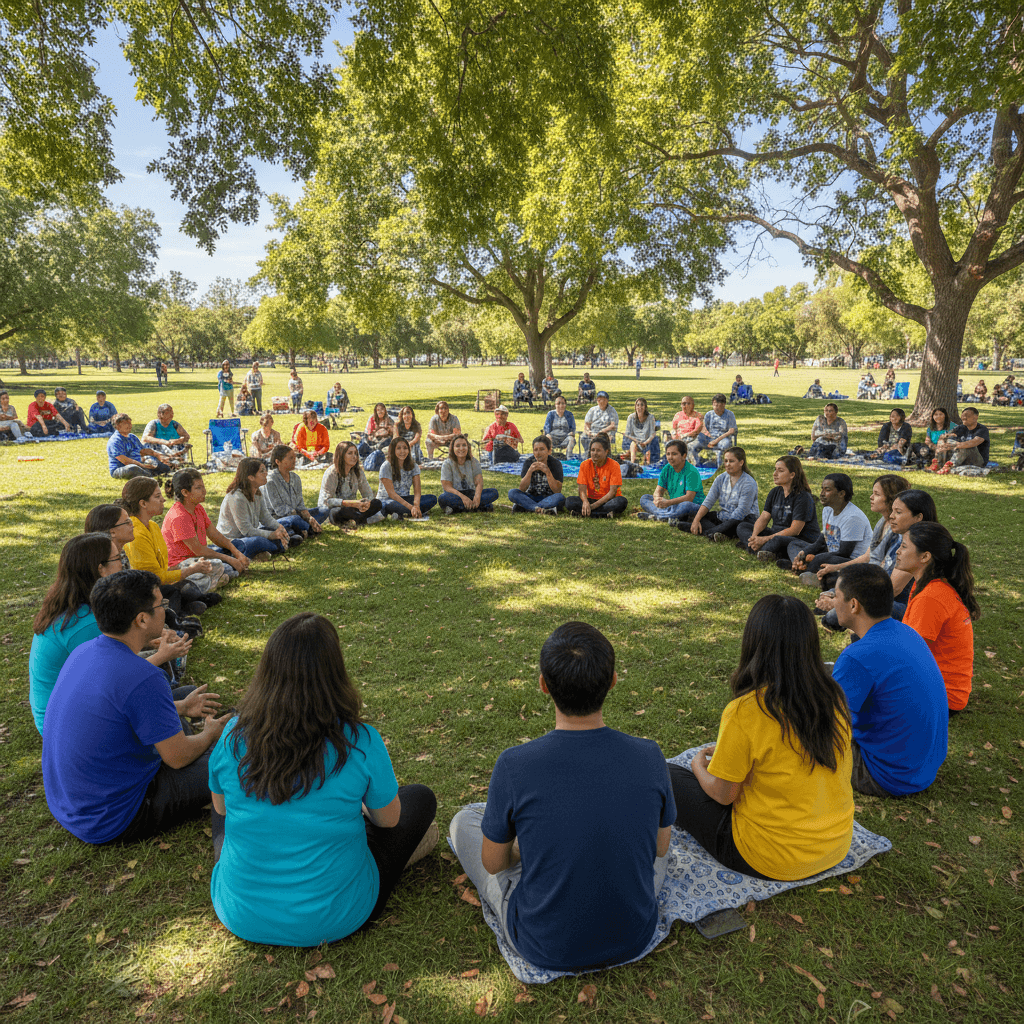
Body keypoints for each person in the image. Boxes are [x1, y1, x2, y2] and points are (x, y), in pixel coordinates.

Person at [448, 622, 674, 972]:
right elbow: (660, 848)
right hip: (634, 935)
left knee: (465, 821)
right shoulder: (650, 756)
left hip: (543, 943)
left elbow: (494, 864)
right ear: (613, 680)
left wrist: (532, 848)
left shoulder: (514, 765)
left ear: (543, 685)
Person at [208, 613, 438, 944]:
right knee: (420, 798)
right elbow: (389, 821)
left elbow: (222, 808)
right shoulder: (360, 740)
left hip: (241, 913)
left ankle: (246, 864)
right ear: (335, 672)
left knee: (221, 813)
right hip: (338, 915)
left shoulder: (232, 735)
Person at [669, 595, 853, 880]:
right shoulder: (834, 697)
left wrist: (696, 766)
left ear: (753, 643)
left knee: (666, 774)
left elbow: (723, 795)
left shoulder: (746, 711)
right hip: (834, 845)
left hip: (769, 856)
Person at [42, 570, 228, 844]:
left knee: (185, 696)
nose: (165, 609)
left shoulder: (84, 651)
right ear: (142, 619)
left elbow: (115, 709)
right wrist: (211, 734)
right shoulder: (144, 677)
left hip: (71, 804)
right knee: (227, 761)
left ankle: (191, 731)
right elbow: (177, 758)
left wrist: (181, 707)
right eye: (160, 605)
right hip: (115, 816)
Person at [831, 564, 948, 797]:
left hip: (885, 775)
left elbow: (824, 724)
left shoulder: (857, 657)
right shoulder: (906, 632)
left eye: (835, 596)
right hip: (922, 769)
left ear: (853, 605)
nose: (833, 602)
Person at [29, 533, 121, 734]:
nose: (122, 564)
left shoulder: (70, 604)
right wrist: (163, 655)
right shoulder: (83, 624)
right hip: (64, 725)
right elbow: (113, 681)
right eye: (118, 558)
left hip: (66, 710)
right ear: (100, 569)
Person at [819, 486, 935, 630]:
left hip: (901, 606)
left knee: (835, 614)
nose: (891, 516)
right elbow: (872, 562)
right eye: (892, 511)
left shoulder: (918, 547)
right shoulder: (897, 533)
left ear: (918, 517)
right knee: (837, 591)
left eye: (898, 512)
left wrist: (844, 601)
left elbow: (891, 589)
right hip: (881, 594)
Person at [898, 523, 979, 713]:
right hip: (936, 688)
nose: (897, 551)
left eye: (903, 546)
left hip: (942, 697)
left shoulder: (931, 597)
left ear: (925, 556)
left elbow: (910, 656)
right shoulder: (928, 586)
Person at [122, 476, 224, 608]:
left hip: (166, 578)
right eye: (158, 496)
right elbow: (153, 579)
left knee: (206, 572)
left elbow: (163, 567)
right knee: (178, 590)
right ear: (143, 503)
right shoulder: (137, 534)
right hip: (149, 590)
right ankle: (181, 609)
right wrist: (190, 570)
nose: (163, 499)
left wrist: (189, 567)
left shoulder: (152, 526)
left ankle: (190, 599)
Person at [807, 473, 908, 594]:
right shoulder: (882, 522)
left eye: (876, 494)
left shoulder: (899, 531)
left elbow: (889, 579)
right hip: (868, 572)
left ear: (891, 498)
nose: (871, 497)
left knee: (836, 581)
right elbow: (867, 557)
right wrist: (835, 567)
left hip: (878, 584)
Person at [162, 468, 249, 580]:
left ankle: (222, 573)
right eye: (198, 488)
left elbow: (215, 535)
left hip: (200, 557)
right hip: (184, 564)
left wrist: (236, 553)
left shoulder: (198, 507)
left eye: (203, 486)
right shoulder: (179, 516)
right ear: (185, 492)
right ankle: (216, 578)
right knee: (224, 566)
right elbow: (199, 550)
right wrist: (229, 559)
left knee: (237, 545)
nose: (204, 491)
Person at [782, 473, 872, 581]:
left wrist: (817, 557)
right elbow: (822, 541)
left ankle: (804, 569)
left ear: (841, 493)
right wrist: (803, 553)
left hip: (850, 561)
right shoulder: (827, 510)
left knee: (823, 558)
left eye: (827, 490)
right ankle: (801, 565)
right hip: (831, 553)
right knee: (794, 544)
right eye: (822, 489)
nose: (822, 494)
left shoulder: (853, 517)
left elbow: (844, 552)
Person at [736, 455, 820, 561]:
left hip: (797, 539)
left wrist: (765, 539)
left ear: (792, 475)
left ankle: (757, 549)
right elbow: (764, 517)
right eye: (775, 470)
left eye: (780, 471)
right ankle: (759, 547)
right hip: (776, 534)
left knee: (777, 540)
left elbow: (795, 530)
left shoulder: (803, 497)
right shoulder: (775, 492)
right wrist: (754, 537)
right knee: (743, 526)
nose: (774, 474)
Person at [217, 458, 294, 560]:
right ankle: (280, 545)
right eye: (262, 471)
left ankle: (276, 545)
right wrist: (271, 535)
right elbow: (246, 531)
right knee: (259, 541)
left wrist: (279, 527)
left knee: (286, 525)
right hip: (234, 541)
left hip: (250, 535)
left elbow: (265, 518)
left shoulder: (257, 492)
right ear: (251, 477)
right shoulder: (237, 498)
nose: (266, 473)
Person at [680, 447, 759, 541]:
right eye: (726, 461)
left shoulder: (748, 483)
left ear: (741, 463)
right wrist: (696, 520)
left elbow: (741, 512)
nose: (727, 464)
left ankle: (710, 532)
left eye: (731, 461)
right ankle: (722, 533)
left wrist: (723, 526)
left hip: (743, 520)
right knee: (701, 517)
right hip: (724, 516)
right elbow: (708, 501)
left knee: (738, 526)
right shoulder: (721, 478)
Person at [261, 445, 328, 536]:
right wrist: (302, 517)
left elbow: (301, 505)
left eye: (295, 457)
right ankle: (303, 529)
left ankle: (303, 529)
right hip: (278, 519)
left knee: (324, 510)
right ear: (278, 461)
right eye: (290, 458)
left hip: (297, 515)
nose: (295, 460)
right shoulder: (270, 481)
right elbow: (279, 510)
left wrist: (309, 518)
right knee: (294, 520)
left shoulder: (296, 478)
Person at [317, 441, 384, 527]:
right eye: (350, 453)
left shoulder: (357, 471)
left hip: (353, 508)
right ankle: (363, 519)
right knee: (337, 512)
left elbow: (368, 493)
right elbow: (326, 501)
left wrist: (367, 503)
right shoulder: (331, 473)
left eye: (356, 453)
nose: (354, 457)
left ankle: (358, 519)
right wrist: (350, 503)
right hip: (334, 509)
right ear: (341, 455)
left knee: (377, 503)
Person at [638, 440, 704, 521]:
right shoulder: (666, 469)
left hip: (691, 506)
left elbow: (689, 498)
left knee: (686, 505)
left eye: (674, 454)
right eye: (668, 454)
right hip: (673, 505)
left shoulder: (692, 471)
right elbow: (659, 490)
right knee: (645, 498)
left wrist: (668, 502)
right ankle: (665, 516)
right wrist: (657, 499)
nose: (670, 457)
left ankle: (659, 515)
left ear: (684, 456)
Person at [565, 434, 628, 518]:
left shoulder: (614, 465)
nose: (595, 453)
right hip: (590, 499)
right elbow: (582, 490)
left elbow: (612, 493)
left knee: (621, 501)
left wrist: (592, 507)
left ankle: (586, 513)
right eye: (592, 450)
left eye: (598, 450)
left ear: (606, 452)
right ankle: (604, 514)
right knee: (569, 501)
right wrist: (585, 502)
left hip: (608, 500)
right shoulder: (584, 465)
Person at [376, 437, 438, 519]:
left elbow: (417, 491)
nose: (402, 451)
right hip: (388, 499)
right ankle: (405, 512)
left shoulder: (414, 466)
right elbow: (392, 494)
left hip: (405, 498)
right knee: (391, 505)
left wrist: (416, 505)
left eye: (405, 448)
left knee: (432, 498)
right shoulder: (386, 466)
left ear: (409, 450)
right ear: (393, 450)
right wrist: (411, 507)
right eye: (398, 448)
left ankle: (402, 513)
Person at [439, 435, 499, 513]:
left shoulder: (473, 461)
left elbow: (479, 482)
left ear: (468, 447)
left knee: (494, 492)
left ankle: (460, 508)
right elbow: (447, 487)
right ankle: (478, 507)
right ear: (453, 448)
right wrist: (463, 498)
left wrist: (477, 497)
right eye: (457, 446)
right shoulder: (447, 464)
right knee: (442, 498)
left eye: (464, 445)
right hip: (455, 495)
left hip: (471, 493)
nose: (461, 448)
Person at [509, 435, 566, 514]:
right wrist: (529, 472)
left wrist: (548, 472)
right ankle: (538, 508)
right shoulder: (529, 462)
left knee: (560, 497)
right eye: (535, 450)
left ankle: (528, 507)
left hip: (548, 497)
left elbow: (557, 490)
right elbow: (521, 488)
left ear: (549, 451)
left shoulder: (555, 464)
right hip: (531, 496)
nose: (538, 453)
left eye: (542, 449)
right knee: (512, 492)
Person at [107, 413, 173, 479]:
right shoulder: (115, 441)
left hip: (140, 464)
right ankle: (149, 475)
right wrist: (142, 465)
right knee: (133, 468)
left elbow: (143, 451)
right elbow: (125, 461)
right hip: (121, 469)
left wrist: (157, 455)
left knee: (161, 466)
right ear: (117, 426)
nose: (129, 425)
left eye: (130, 423)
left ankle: (160, 473)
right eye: (126, 423)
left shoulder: (132, 437)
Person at [690, 394, 737, 467]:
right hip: (709, 437)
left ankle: (720, 465)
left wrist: (716, 440)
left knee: (725, 444)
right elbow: (705, 429)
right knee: (693, 445)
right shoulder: (709, 414)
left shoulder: (729, 414)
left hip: (722, 438)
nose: (715, 407)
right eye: (714, 405)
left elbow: (731, 431)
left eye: (718, 405)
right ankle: (697, 463)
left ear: (724, 404)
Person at [939, 406, 989, 471]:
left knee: (966, 446)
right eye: (963, 415)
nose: (964, 417)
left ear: (976, 417)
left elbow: (975, 442)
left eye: (967, 415)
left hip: (977, 461)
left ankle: (949, 467)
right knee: (946, 441)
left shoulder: (982, 429)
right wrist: (943, 441)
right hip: (961, 458)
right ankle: (939, 463)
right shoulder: (961, 428)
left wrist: (955, 445)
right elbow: (944, 436)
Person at [622, 397, 660, 464]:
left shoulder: (651, 417)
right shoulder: (630, 417)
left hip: (648, 440)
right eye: (638, 405)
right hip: (635, 440)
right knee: (631, 443)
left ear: (645, 407)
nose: (640, 407)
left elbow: (652, 434)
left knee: (654, 440)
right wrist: (636, 441)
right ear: (635, 407)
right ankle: (632, 463)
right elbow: (628, 434)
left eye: (642, 405)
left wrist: (645, 442)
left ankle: (650, 463)